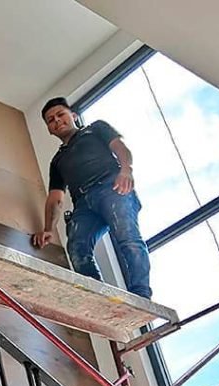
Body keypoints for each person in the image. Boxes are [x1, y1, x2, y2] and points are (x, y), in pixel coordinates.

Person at [32, 97, 152, 299]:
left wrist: (126, 170)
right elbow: (55, 198)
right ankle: (99, 298)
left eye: (60, 114)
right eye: (51, 120)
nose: (57, 120)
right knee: (77, 248)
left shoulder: (96, 129)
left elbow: (120, 147)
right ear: (49, 130)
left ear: (73, 115)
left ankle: (141, 295)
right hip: (83, 205)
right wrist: (48, 229)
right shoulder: (57, 161)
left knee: (128, 238)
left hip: (112, 187)